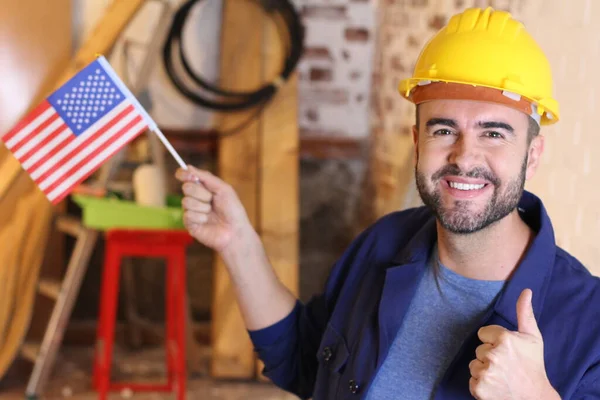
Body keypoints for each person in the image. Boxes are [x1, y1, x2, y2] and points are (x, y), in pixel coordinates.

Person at [175, 7, 600, 400]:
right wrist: (238, 244)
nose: (464, 157)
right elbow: (303, 360)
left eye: (494, 133)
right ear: (417, 143)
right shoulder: (382, 244)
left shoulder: (588, 322)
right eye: (444, 130)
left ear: (534, 154)